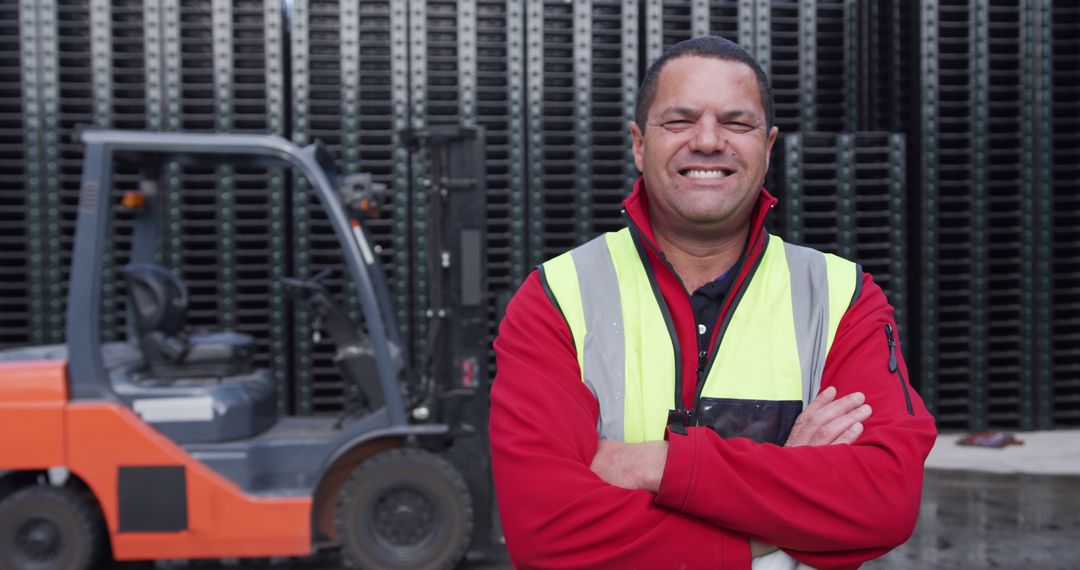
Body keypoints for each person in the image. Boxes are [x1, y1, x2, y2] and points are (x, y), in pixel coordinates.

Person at [489, 36, 936, 569]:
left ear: (768, 148)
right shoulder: (557, 298)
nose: (707, 141)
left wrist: (659, 465)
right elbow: (548, 535)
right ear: (638, 143)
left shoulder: (840, 297)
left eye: (737, 123)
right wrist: (773, 518)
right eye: (679, 121)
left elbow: (882, 501)